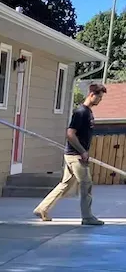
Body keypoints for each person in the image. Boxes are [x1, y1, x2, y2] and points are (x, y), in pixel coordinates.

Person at [34, 82, 107, 225]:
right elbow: (70, 133)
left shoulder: (88, 112)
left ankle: (42, 208)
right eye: (99, 97)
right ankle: (87, 217)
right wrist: (82, 151)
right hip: (76, 156)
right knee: (86, 184)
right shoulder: (81, 112)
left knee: (65, 184)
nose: (100, 100)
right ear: (92, 95)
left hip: (73, 154)